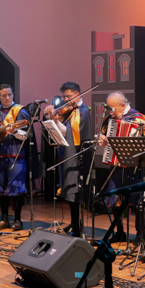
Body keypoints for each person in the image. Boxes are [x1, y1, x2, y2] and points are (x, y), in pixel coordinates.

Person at [97, 92, 145, 252]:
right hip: (116, 164)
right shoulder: (110, 119)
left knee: (138, 201)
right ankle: (120, 232)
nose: (111, 112)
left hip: (135, 167)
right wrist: (101, 139)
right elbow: (102, 133)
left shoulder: (138, 118)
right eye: (109, 108)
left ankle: (141, 235)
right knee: (113, 198)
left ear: (123, 105)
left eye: (113, 109)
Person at [42, 82, 93, 238]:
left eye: (68, 96)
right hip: (67, 154)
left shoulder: (83, 111)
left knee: (74, 190)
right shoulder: (69, 110)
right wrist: (50, 117)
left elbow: (70, 133)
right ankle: (74, 222)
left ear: (78, 94)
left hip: (78, 156)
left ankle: (77, 225)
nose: (65, 100)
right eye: (64, 96)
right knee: (69, 190)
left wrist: (57, 121)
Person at [0, 83, 31, 231]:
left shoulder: (20, 111)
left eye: (9, 95)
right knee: (0, 187)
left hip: (15, 154)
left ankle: (18, 220)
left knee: (16, 186)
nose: (7, 98)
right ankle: (4, 219)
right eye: (4, 95)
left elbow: (26, 135)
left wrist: (14, 132)